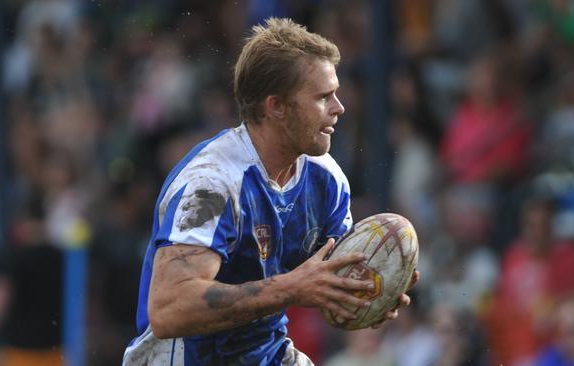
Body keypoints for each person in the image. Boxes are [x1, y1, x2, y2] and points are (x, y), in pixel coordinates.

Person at [123, 17, 417, 365]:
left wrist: (368, 293)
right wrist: (291, 288)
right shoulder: (211, 185)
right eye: (323, 97)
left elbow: (325, 285)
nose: (339, 107)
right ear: (275, 106)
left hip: (267, 354)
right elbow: (169, 310)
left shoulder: (326, 180)